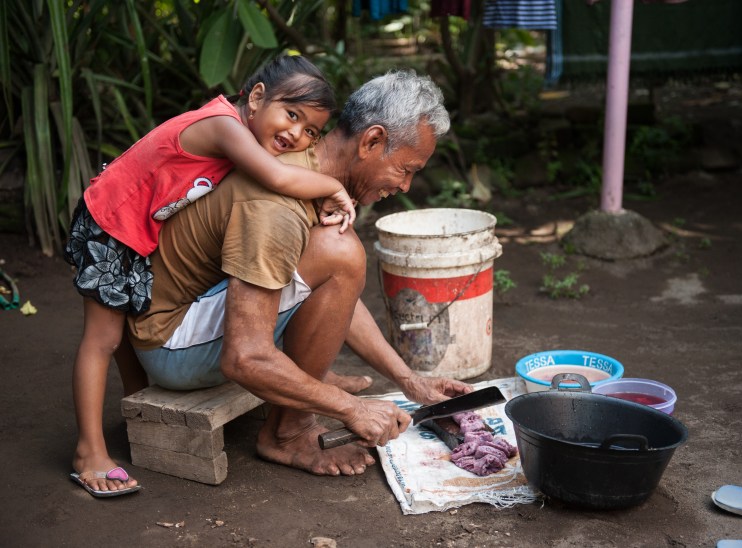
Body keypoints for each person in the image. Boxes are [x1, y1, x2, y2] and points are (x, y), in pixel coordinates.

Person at [128, 69, 473, 477]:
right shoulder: (278, 206)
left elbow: (332, 289)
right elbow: (244, 357)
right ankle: (288, 434)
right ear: (372, 141)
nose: (407, 186)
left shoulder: (314, 179)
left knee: (340, 256)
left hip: (198, 316)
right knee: (342, 252)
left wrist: (408, 380)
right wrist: (351, 408)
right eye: (406, 169)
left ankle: (299, 404)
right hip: (173, 349)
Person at [65, 54, 360, 497]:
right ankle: (89, 451)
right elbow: (278, 178)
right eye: (291, 115)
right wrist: (335, 187)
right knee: (101, 339)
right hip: (110, 227)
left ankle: (138, 409)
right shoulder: (225, 125)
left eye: (310, 131)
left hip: (136, 228)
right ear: (256, 97)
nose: (296, 134)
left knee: (125, 319)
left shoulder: (243, 129)